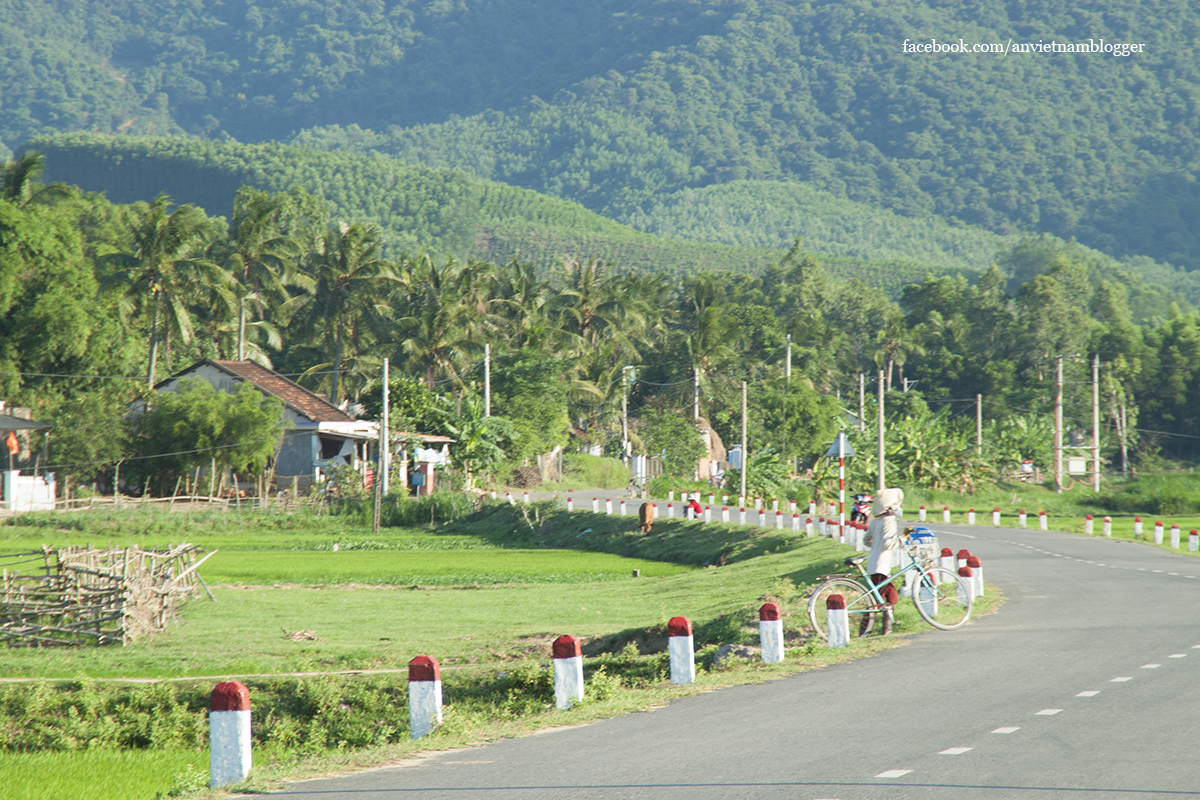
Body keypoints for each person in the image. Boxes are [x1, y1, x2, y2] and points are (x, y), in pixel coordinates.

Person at [861, 487, 904, 635]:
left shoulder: (876, 521)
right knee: (878, 600)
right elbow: (888, 544)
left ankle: (888, 625)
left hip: (874, 562)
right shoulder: (889, 521)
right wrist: (902, 540)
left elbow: (866, 540)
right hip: (882, 565)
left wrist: (876, 546)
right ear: (890, 507)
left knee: (888, 594)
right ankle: (866, 630)